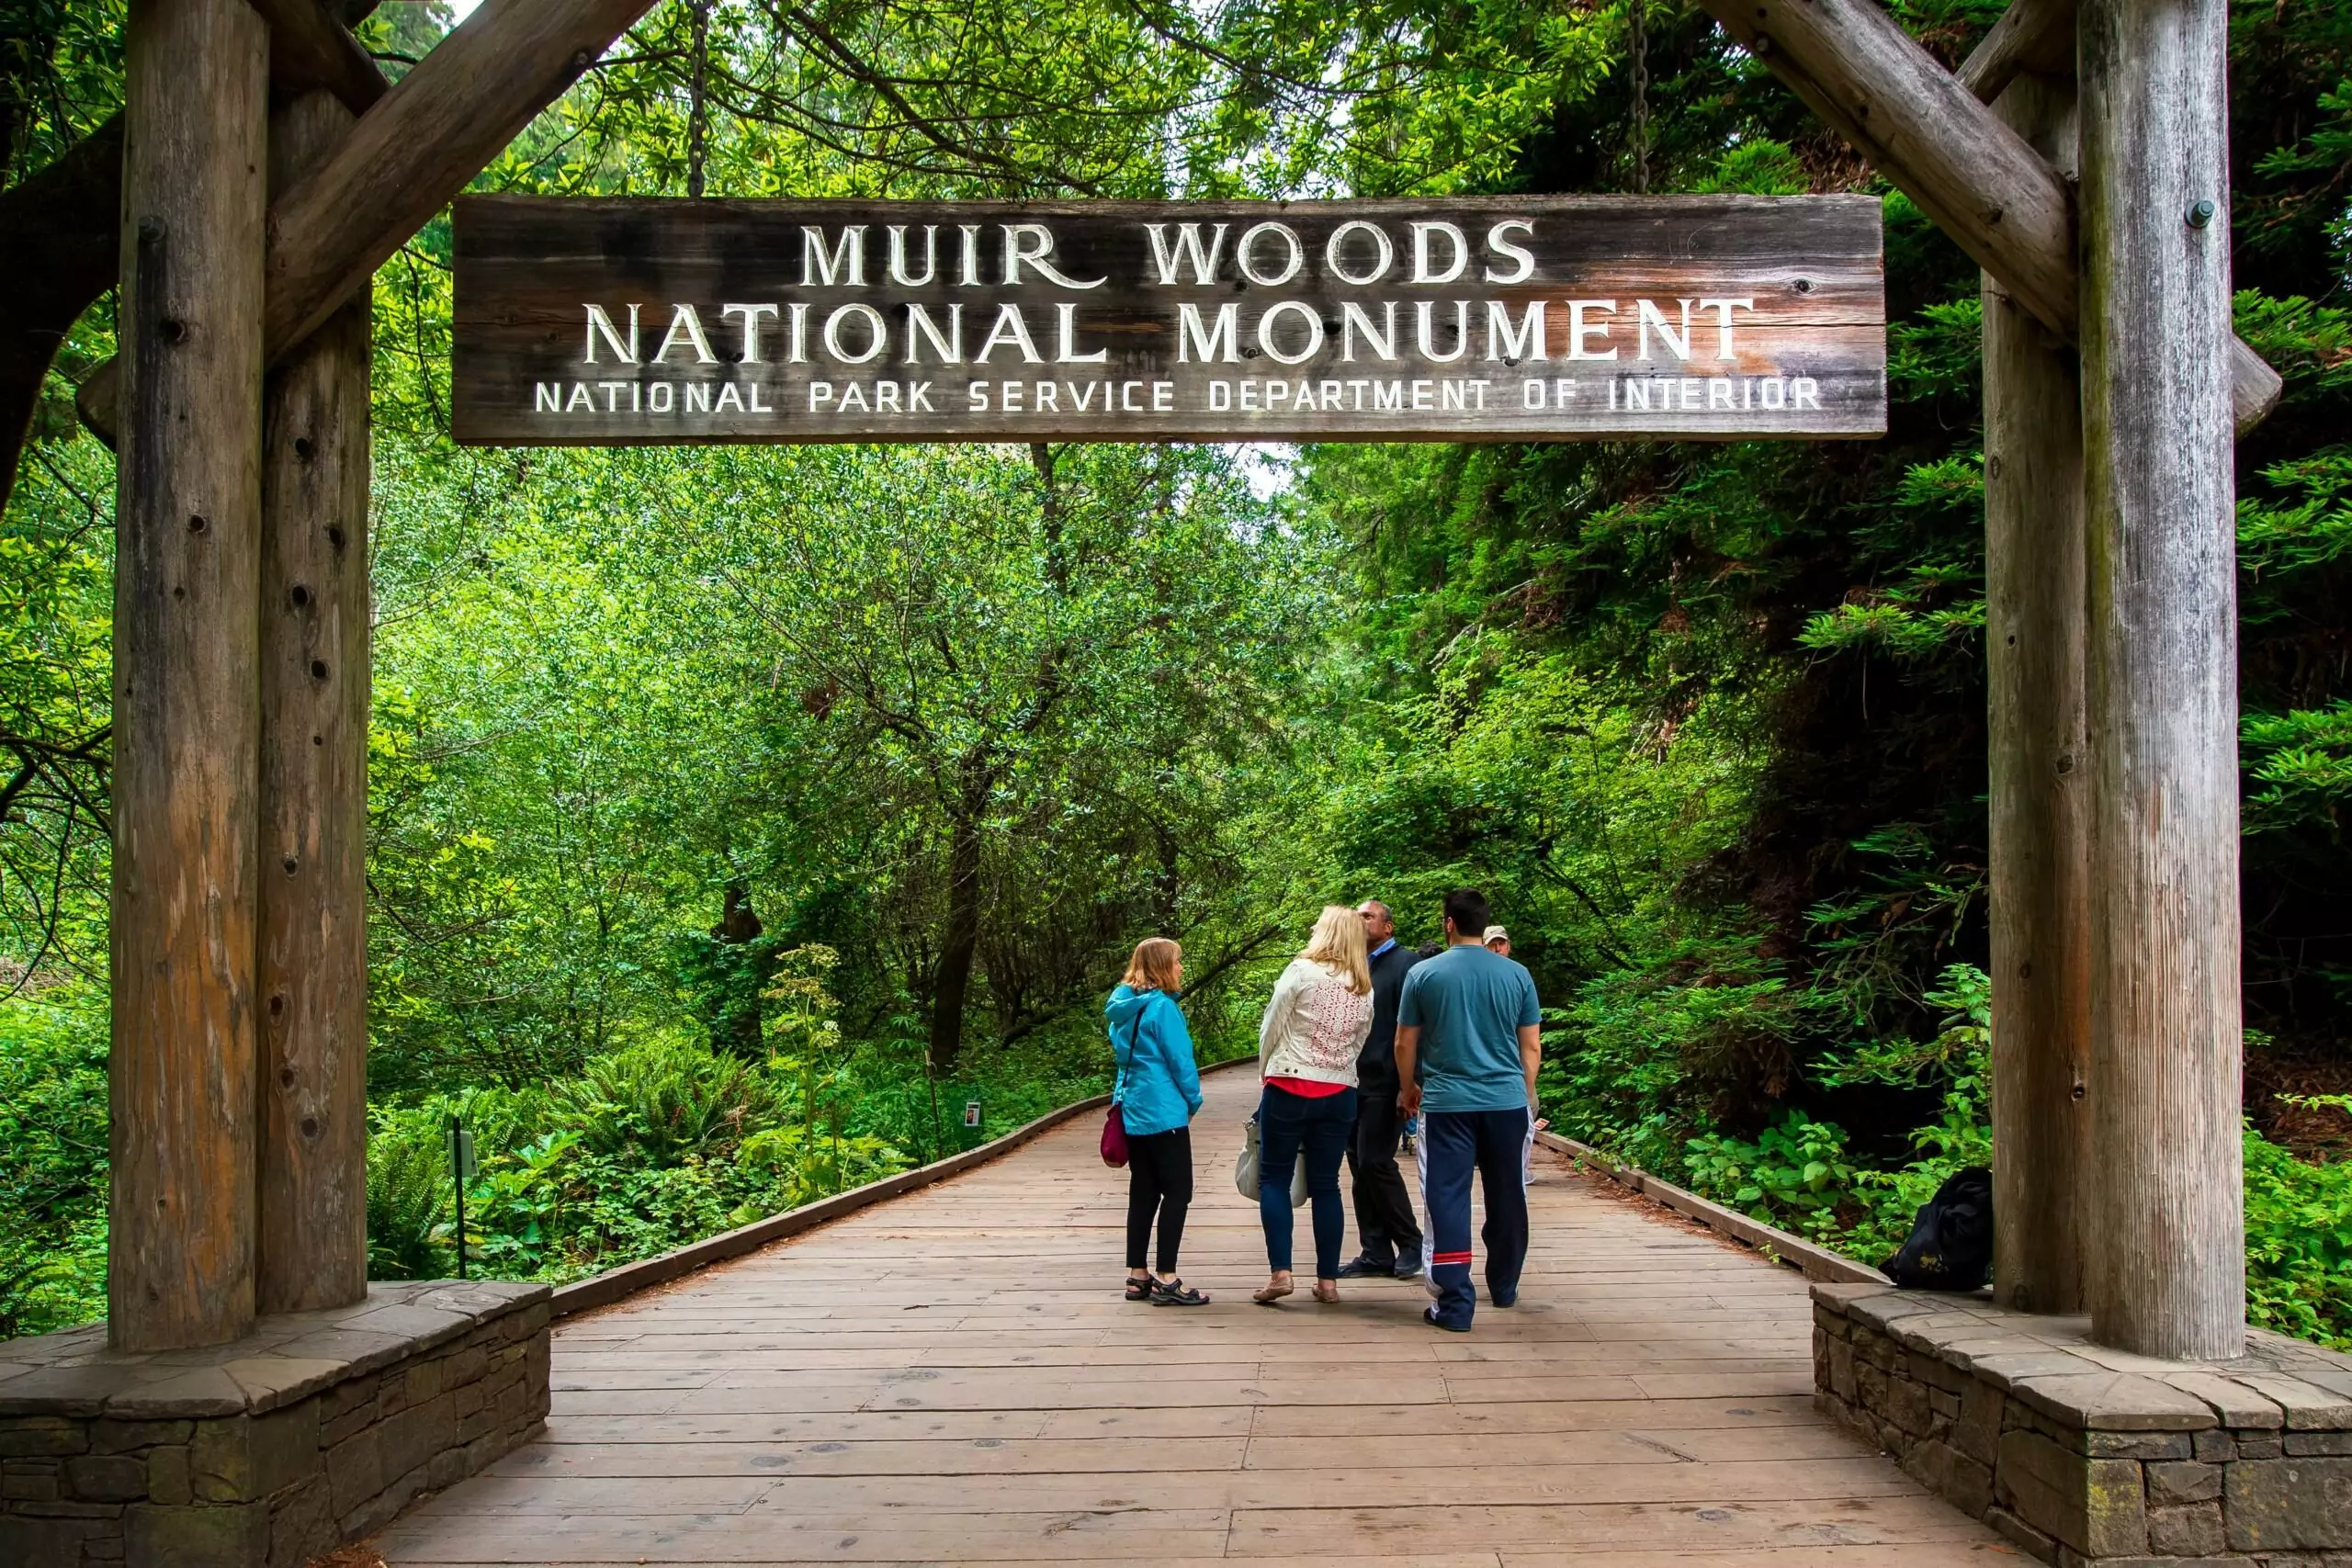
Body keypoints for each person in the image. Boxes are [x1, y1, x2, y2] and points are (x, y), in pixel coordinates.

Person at [1396, 888, 1543, 1333]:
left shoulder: (1424, 974)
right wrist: (1524, 1094)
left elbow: (1405, 1042)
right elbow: (1531, 1046)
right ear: (1484, 925)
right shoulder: (1517, 976)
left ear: (1448, 924)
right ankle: (1504, 1285)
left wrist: (1408, 1090)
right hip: (1507, 1104)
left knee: (1446, 1199)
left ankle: (1455, 1305)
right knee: (1508, 1194)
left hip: (1447, 1105)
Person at [1251, 905, 1374, 1304]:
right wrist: (1341, 1069)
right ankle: (1327, 1281)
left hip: (1289, 1085)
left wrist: (1264, 1068)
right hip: (1339, 1094)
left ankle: (1281, 1273)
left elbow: (1273, 1023)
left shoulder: (1301, 971)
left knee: (1274, 1178)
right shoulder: (1363, 984)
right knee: (1327, 1186)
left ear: (1326, 933)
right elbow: (1360, 1040)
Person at [1105, 937, 1209, 1306]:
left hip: (1133, 1106)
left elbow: (1124, 1059)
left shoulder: (1120, 1005)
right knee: (1179, 1191)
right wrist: (1193, 1101)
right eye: (1177, 962)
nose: (1181, 968)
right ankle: (1167, 1276)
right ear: (1163, 966)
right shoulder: (1163, 1008)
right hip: (1164, 1109)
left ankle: (1137, 1274)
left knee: (1144, 1190)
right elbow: (1181, 1061)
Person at [1336, 899, 1425, 1280]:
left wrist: (1412, 1083)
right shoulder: (1351, 966)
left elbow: (1419, 1027)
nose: (1360, 921)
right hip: (1349, 1080)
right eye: (1356, 917)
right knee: (1358, 1164)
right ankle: (1374, 1250)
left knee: (1376, 1161)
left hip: (1388, 1080)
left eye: (1368, 916)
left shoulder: (1407, 965)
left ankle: (1412, 1243)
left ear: (1388, 927)